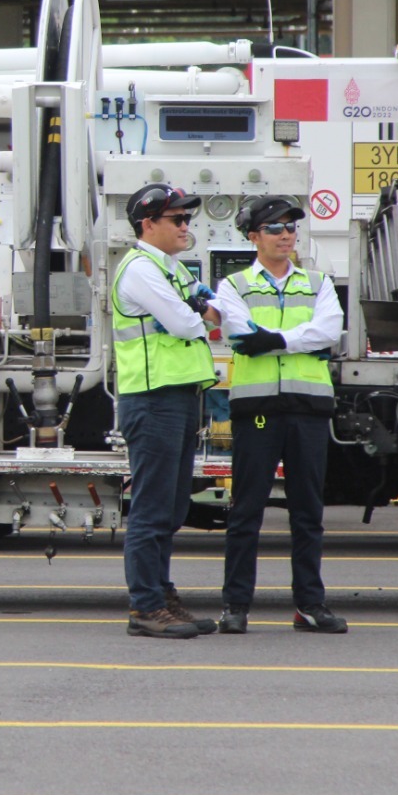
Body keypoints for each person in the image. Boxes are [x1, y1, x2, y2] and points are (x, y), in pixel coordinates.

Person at [214, 196, 348, 634]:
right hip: (257, 410)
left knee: (308, 512)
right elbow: (239, 333)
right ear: (253, 236)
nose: (286, 234)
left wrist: (274, 339)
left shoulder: (318, 282)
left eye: (291, 226)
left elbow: (329, 331)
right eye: (275, 227)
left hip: (308, 408)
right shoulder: (233, 285)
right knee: (246, 511)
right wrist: (300, 339)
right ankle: (235, 606)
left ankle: (310, 605)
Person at [111, 183, 221, 638]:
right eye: (177, 219)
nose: (185, 226)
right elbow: (188, 321)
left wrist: (200, 313)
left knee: (172, 507)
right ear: (148, 223)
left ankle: (161, 595)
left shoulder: (170, 268)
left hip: (176, 395)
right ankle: (146, 606)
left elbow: (216, 309)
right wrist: (199, 314)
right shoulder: (140, 269)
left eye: (187, 219)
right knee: (152, 510)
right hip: (152, 397)